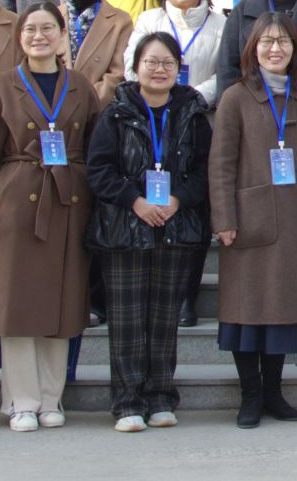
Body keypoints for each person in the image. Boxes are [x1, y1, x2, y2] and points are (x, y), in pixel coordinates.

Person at [0, 2, 100, 430]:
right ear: (19, 37)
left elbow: (96, 149)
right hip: (17, 200)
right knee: (16, 302)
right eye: (30, 30)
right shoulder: (2, 85)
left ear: (62, 36)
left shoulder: (81, 86)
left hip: (69, 201)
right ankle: (21, 399)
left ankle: (50, 398)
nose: (39, 36)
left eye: (47, 28)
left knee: (63, 302)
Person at [86, 33, 215, 432]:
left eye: (167, 63)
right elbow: (98, 171)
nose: (159, 70)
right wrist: (135, 201)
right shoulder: (115, 113)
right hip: (125, 229)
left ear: (179, 69)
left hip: (176, 227)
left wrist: (178, 199)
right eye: (151, 62)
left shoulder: (192, 113)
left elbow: (204, 171)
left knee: (164, 319)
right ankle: (127, 402)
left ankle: (160, 397)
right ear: (136, 67)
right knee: (126, 321)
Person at [208, 13, 297, 428]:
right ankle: (251, 396)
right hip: (248, 218)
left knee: (281, 310)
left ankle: (274, 392)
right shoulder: (235, 96)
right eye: (267, 42)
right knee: (248, 309)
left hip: (296, 219)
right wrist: (224, 217)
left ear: (295, 49)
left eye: (283, 42)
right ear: (252, 49)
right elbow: (220, 163)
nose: (275, 49)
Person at [129, 0, 225, 106]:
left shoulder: (222, 24)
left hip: (202, 112)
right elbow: (131, 66)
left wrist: (193, 100)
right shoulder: (148, 21)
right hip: (151, 110)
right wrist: (159, 97)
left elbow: (225, 73)